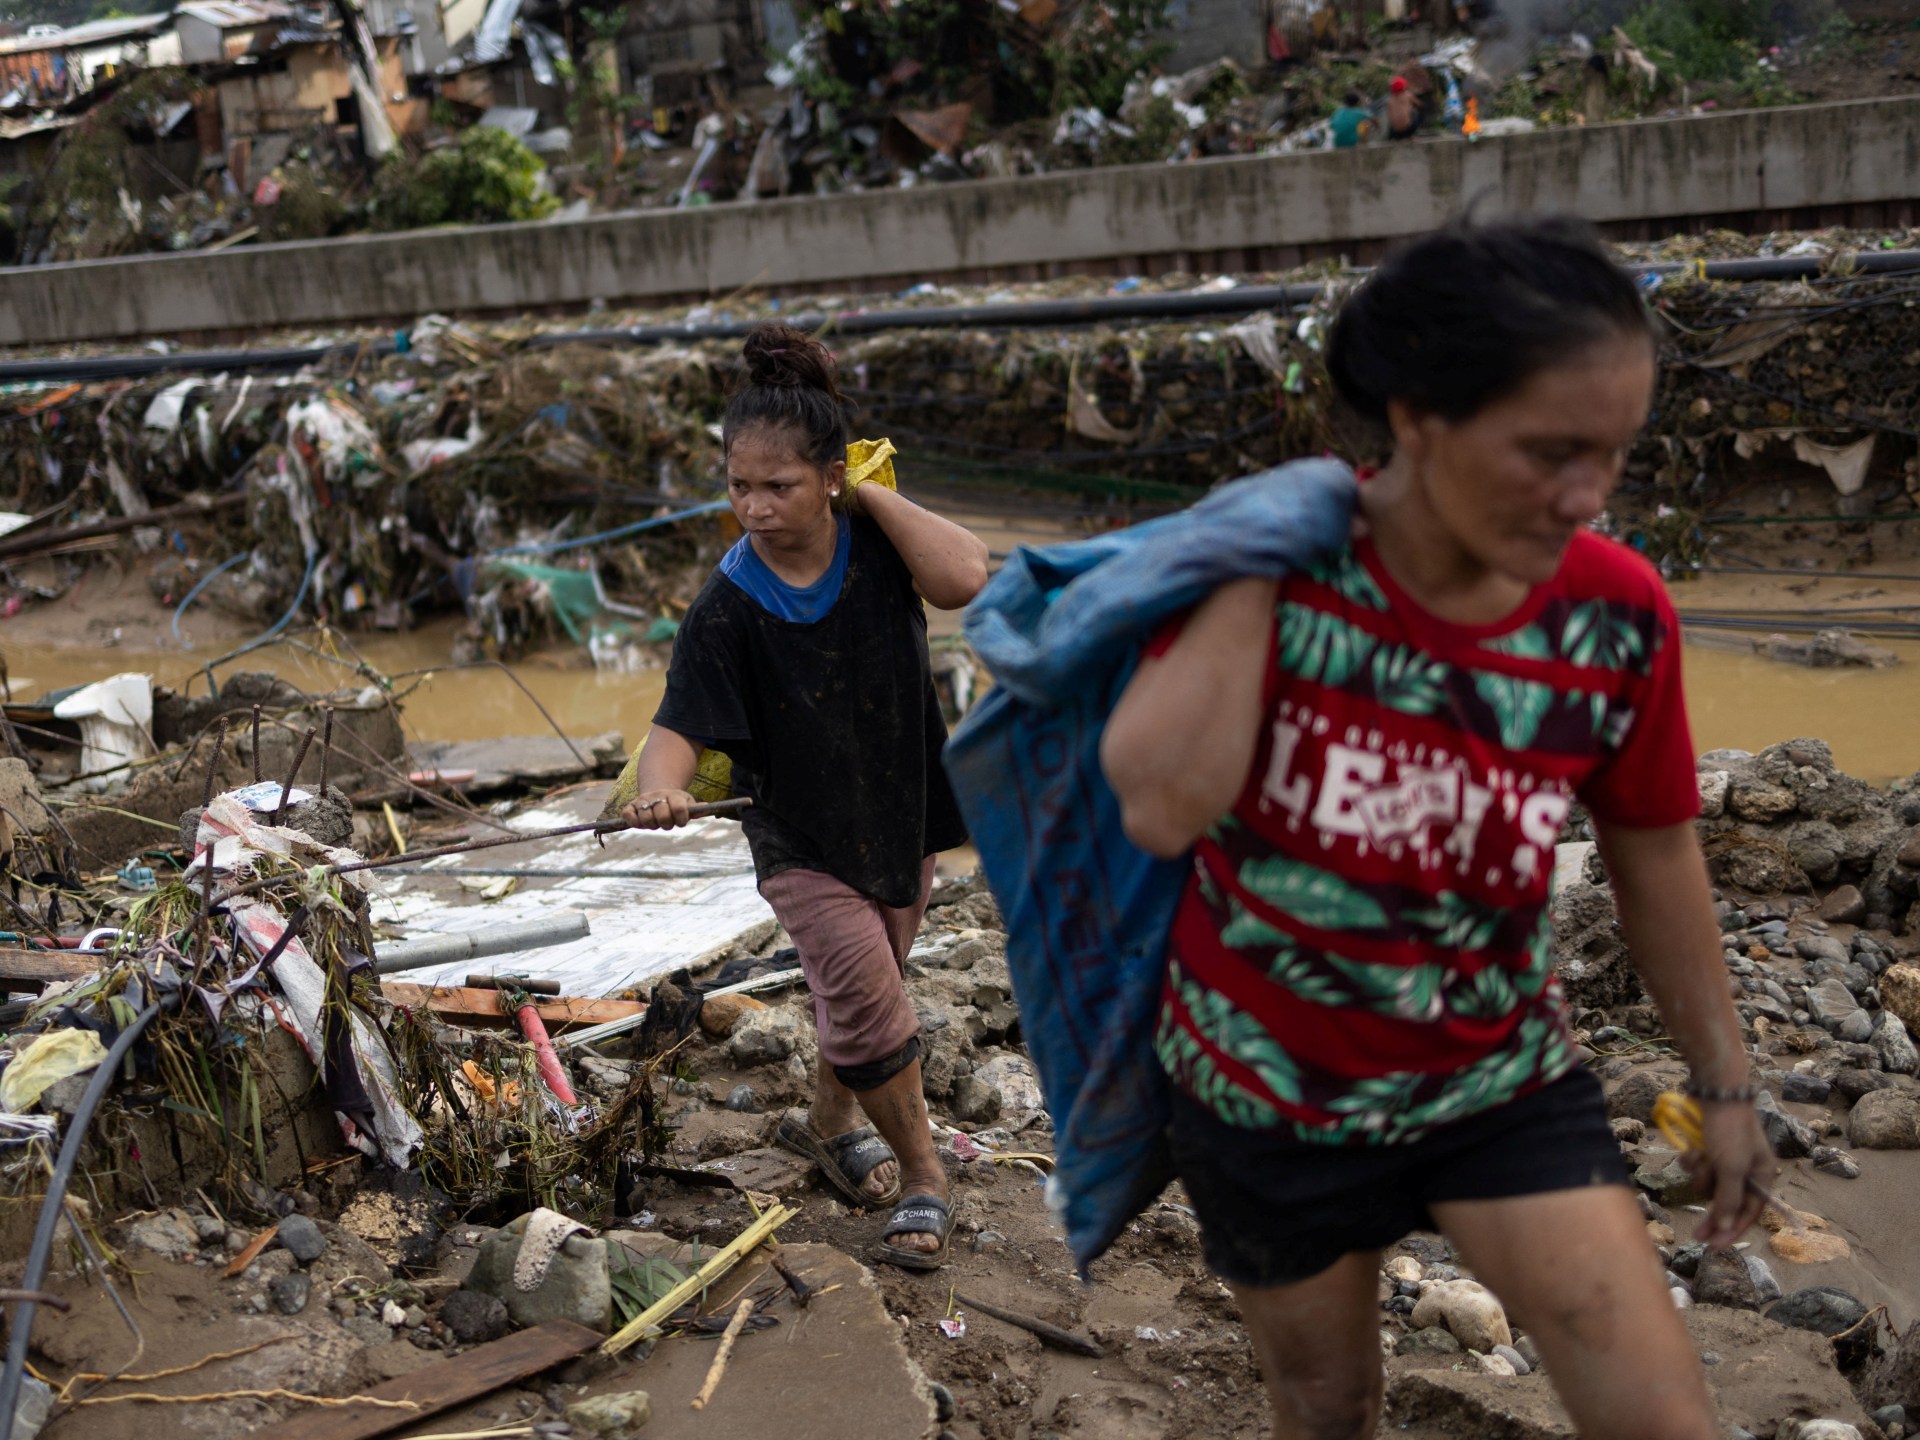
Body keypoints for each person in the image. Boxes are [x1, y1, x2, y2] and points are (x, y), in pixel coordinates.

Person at [1100, 218, 1773, 1440]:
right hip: (1264, 1094)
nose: (1587, 496)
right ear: (1417, 416)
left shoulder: (1615, 615)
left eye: (1613, 455)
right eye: (1550, 452)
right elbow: (1157, 805)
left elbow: (1656, 846)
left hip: (1494, 1074)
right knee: (1326, 1408)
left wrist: (1725, 1082)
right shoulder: (1275, 572)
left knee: (1665, 1416)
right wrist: (1258, 558)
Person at [622, 323, 989, 1269]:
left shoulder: (878, 541)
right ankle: (923, 1177)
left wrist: (868, 493)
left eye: (778, 485)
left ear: (831, 477)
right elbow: (676, 734)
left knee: (873, 979)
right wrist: (659, 794)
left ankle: (829, 1126)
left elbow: (964, 577)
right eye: (739, 487)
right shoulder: (728, 607)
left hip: (902, 809)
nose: (752, 507)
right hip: (799, 834)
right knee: (868, 999)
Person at [1385, 75, 1419, 139]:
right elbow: (1419, 104)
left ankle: (1395, 138)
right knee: (1414, 111)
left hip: (1395, 132)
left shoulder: (1389, 100)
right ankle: (1410, 135)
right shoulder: (1407, 95)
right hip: (1407, 130)